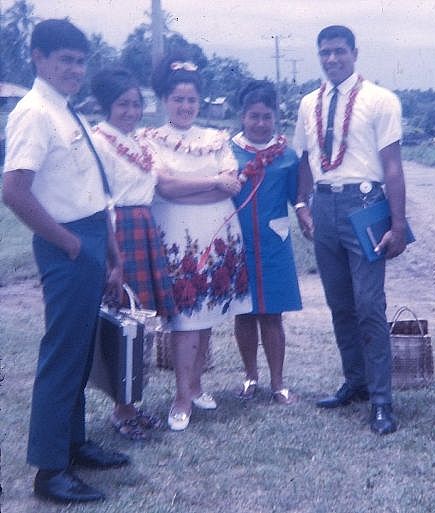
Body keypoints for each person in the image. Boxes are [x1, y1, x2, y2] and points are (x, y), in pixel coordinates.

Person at [2, 19, 128, 503]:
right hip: (68, 243)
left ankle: (73, 444)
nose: (75, 69)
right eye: (65, 60)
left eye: (80, 61)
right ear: (38, 58)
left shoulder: (64, 109)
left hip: (92, 234)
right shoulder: (34, 112)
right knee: (63, 354)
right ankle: (50, 470)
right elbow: (14, 191)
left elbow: (91, 188)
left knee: (80, 349)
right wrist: (69, 244)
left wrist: (109, 251)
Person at [91, 67, 228, 439]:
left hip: (144, 228)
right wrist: (112, 256)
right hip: (120, 230)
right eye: (122, 105)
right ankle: (122, 410)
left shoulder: (138, 141)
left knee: (142, 324)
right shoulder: (100, 142)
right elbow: (102, 201)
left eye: (136, 104)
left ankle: (130, 406)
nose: (131, 111)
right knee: (125, 322)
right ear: (107, 106)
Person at [293, 25, 408, 435]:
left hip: (365, 204)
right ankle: (355, 382)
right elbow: (305, 160)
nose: (332, 59)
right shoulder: (309, 103)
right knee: (339, 302)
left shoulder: (380, 100)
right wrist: (303, 205)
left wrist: (398, 222)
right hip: (325, 204)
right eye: (325, 52)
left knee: (368, 303)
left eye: (339, 51)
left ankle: (381, 401)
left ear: (355, 52)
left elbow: (392, 166)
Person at [140, 53, 252, 431]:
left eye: (191, 100)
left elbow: (232, 185)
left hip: (215, 233)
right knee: (185, 317)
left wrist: (207, 189)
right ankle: (180, 397)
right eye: (177, 100)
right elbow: (165, 187)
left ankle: (196, 384)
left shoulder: (215, 139)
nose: (185, 106)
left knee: (204, 314)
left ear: (199, 101)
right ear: (164, 101)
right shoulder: (151, 140)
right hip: (176, 238)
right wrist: (211, 184)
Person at [231, 80, 302, 405]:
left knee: (272, 315)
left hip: (274, 245)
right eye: (254, 116)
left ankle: (278, 382)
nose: (260, 123)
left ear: (275, 118)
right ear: (243, 117)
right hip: (236, 244)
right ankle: (250, 376)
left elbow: (298, 198)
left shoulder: (287, 156)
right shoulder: (227, 151)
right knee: (244, 314)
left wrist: (306, 215)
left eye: (267, 117)